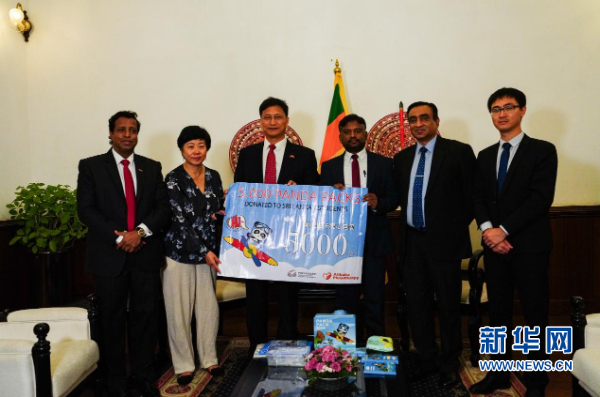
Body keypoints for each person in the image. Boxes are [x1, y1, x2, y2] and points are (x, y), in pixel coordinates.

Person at [469, 88, 558, 397]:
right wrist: (488, 230)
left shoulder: (543, 151)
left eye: (508, 107)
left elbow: (540, 199)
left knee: (535, 316)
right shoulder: (485, 155)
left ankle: (537, 382)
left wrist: (502, 230)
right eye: (495, 109)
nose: (501, 113)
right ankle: (499, 374)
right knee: (498, 314)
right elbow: (478, 198)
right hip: (496, 248)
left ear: (522, 110)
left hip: (530, 246)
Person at [77, 111, 170, 397]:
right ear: (111, 134)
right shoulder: (92, 167)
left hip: (144, 254)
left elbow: (162, 209)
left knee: (145, 317)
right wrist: (119, 236)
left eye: (132, 130)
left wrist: (138, 233)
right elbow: (86, 210)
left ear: (137, 135)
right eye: (121, 130)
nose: (127, 134)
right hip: (109, 256)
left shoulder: (151, 167)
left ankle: (143, 376)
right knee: (111, 320)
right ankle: (114, 380)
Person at [393, 102, 476, 388]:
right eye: (413, 119)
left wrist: (448, 228)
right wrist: (374, 201)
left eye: (424, 118)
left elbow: (471, 198)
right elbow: (395, 198)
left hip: (445, 244)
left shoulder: (458, 152)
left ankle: (449, 362)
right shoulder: (402, 158)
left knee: (448, 306)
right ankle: (426, 359)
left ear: (436, 121)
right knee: (417, 305)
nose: (418, 124)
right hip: (412, 243)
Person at [234, 97, 320, 349]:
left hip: (288, 235)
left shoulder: (304, 156)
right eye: (267, 117)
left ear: (287, 121)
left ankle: (288, 342)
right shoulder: (247, 155)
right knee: (256, 294)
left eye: (278, 117)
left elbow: (314, 192)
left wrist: (300, 189)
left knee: (287, 293)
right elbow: (240, 192)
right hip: (253, 235)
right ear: (260, 121)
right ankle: (256, 346)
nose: (272, 122)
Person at [320, 114, 398, 338]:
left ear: (365, 134)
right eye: (347, 131)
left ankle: (375, 351)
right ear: (340, 136)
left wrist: (378, 202)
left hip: (375, 242)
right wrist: (330, 195)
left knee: (375, 300)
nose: (352, 135)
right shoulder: (329, 167)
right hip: (341, 245)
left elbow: (394, 197)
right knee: (345, 301)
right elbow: (320, 202)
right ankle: (344, 352)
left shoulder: (383, 164)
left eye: (357, 131)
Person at [163, 126, 225, 385]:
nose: (196, 151)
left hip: (209, 253)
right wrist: (204, 251)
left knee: (208, 308)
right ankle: (184, 365)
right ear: (182, 149)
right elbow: (179, 221)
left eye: (201, 145)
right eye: (191, 146)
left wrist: (223, 210)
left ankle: (209, 359)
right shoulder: (173, 179)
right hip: (179, 253)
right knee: (179, 311)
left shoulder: (214, 176)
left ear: (206, 148)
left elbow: (216, 210)